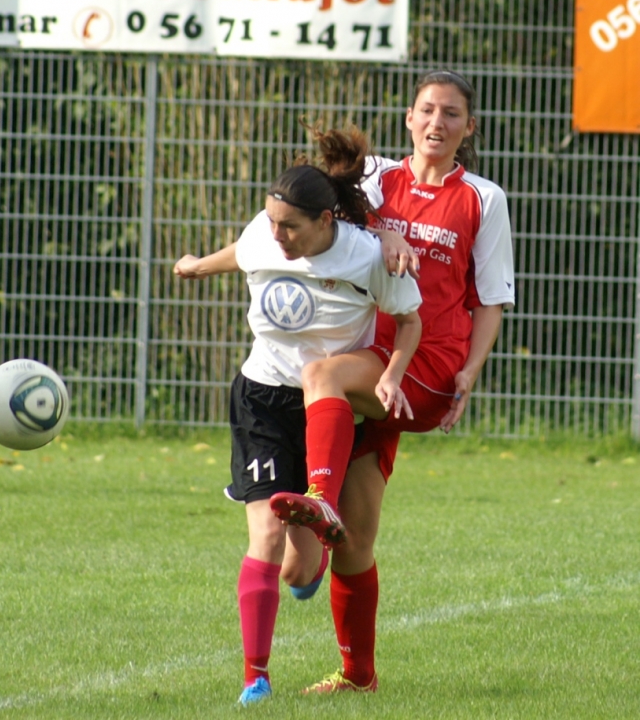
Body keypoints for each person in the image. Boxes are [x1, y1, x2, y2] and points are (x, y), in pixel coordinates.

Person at [270, 69, 516, 695]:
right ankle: (358, 676)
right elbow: (311, 213)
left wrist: (469, 373)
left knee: (320, 374)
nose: (438, 122)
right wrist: (383, 229)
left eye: (452, 113)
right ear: (409, 118)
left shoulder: (483, 198)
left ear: (468, 127)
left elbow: (490, 300)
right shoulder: (377, 178)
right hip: (373, 361)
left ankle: (317, 496)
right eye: (427, 110)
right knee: (354, 540)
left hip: (426, 368)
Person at [173, 127, 422, 706]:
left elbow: (410, 320)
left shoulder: (367, 255)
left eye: (290, 226)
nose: (276, 234)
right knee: (264, 535)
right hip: (261, 400)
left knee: (299, 573)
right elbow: (244, 251)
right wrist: (197, 266)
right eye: (271, 221)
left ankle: (318, 520)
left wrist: (391, 375)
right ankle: (255, 678)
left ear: (326, 220)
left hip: (324, 408)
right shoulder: (265, 235)